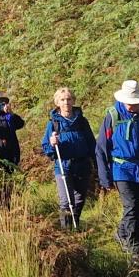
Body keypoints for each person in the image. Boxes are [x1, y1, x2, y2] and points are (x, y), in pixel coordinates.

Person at [97, 80, 139, 269]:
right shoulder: (113, 115)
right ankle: (136, 253)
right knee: (132, 208)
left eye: (135, 101)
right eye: (129, 101)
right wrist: (105, 178)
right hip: (122, 169)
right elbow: (102, 148)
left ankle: (121, 233)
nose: (132, 105)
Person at [41, 87, 98, 229]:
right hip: (63, 166)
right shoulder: (53, 123)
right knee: (66, 202)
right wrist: (52, 144)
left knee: (79, 199)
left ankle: (75, 225)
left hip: (82, 165)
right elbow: (46, 147)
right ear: (57, 103)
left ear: (73, 101)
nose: (66, 102)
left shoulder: (82, 121)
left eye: (68, 99)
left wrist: (97, 164)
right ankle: (67, 232)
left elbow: (92, 143)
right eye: (62, 100)